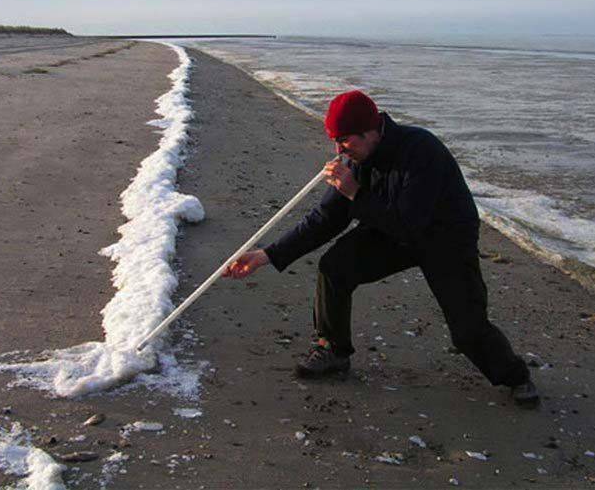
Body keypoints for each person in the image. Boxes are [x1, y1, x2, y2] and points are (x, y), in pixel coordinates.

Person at [223, 90, 538, 406]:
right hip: (390, 228)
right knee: (336, 266)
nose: (338, 150)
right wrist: (266, 255)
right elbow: (324, 220)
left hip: (445, 238)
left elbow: (409, 223)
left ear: (370, 132)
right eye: (335, 141)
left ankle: (516, 376)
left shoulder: (421, 151)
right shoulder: (354, 159)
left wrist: (354, 192)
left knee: (467, 330)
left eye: (345, 140)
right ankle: (333, 349)